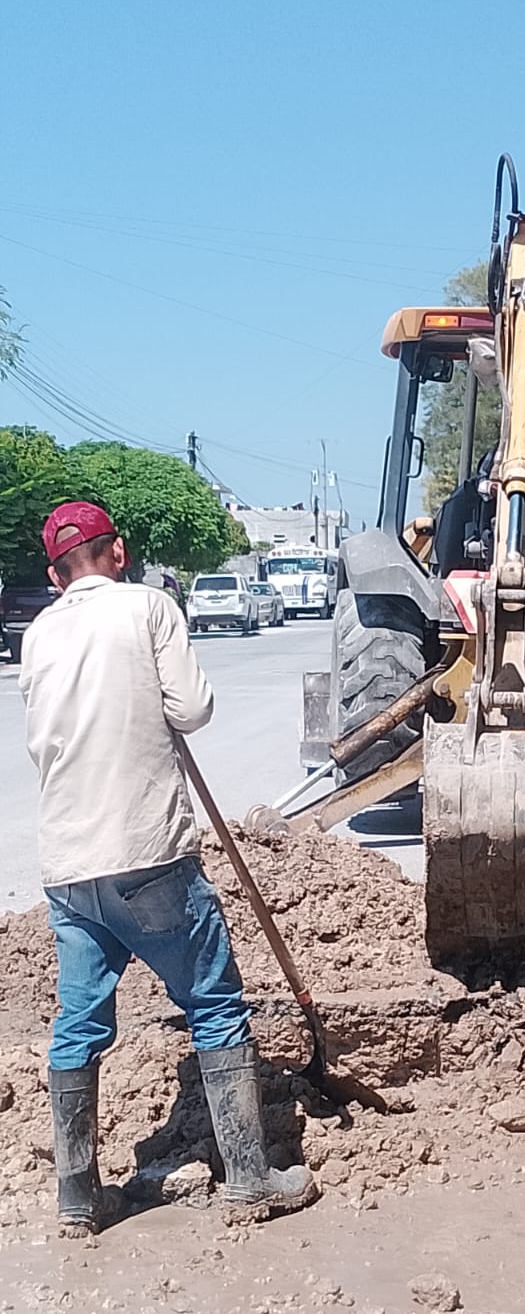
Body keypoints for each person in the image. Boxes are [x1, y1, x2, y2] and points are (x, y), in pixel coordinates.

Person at [20, 502, 316, 1237]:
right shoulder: (148, 608)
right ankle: (250, 1180)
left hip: (68, 865)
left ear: (56, 575)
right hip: (146, 855)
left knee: (79, 1023)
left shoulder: (38, 633)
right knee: (214, 1005)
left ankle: (79, 1198)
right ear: (116, 552)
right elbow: (193, 708)